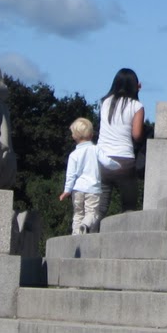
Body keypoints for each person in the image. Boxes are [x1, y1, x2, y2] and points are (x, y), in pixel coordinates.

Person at [95, 67, 145, 206]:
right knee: (129, 206)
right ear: (135, 85)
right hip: (124, 160)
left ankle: (90, 226)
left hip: (102, 159)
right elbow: (137, 134)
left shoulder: (104, 102)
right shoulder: (136, 106)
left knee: (100, 206)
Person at [59, 117, 104, 233]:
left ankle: (76, 235)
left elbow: (71, 175)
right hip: (93, 189)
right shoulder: (96, 150)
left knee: (78, 213)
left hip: (77, 189)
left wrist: (67, 190)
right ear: (91, 134)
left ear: (74, 136)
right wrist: (117, 165)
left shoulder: (74, 155)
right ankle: (86, 225)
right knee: (92, 212)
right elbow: (106, 161)